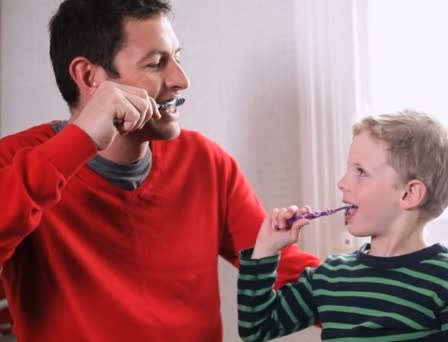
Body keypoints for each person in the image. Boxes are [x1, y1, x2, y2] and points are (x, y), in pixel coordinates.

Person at [0, 0, 320, 341]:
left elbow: (286, 267)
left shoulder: (205, 162)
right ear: (89, 76)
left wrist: (377, 283)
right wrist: (79, 142)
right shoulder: (17, 160)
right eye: (156, 64)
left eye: (177, 58)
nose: (181, 80)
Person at [238, 110, 448, 341]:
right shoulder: (330, 276)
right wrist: (265, 249)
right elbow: (257, 328)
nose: (342, 182)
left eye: (360, 172)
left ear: (409, 194)